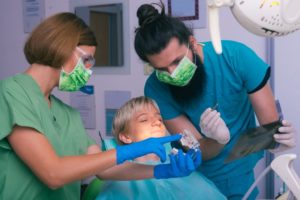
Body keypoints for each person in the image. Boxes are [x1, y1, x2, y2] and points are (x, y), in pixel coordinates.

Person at [0, 12, 201, 200]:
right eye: (86, 60)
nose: (88, 71)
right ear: (61, 47)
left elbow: (104, 170)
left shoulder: (67, 114)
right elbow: (53, 173)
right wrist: (131, 150)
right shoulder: (11, 92)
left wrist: (161, 171)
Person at [133, 2, 297, 199]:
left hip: (239, 176)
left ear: (192, 43)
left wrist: (279, 142)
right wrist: (218, 140)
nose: (173, 74)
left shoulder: (236, 57)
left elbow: (269, 129)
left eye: (177, 61)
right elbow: (198, 149)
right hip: (192, 180)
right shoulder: (156, 87)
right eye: (161, 69)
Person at [96, 96, 226, 200]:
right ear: (125, 137)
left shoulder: (178, 168)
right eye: (144, 120)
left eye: (159, 118)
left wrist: (219, 140)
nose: (157, 122)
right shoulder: (120, 181)